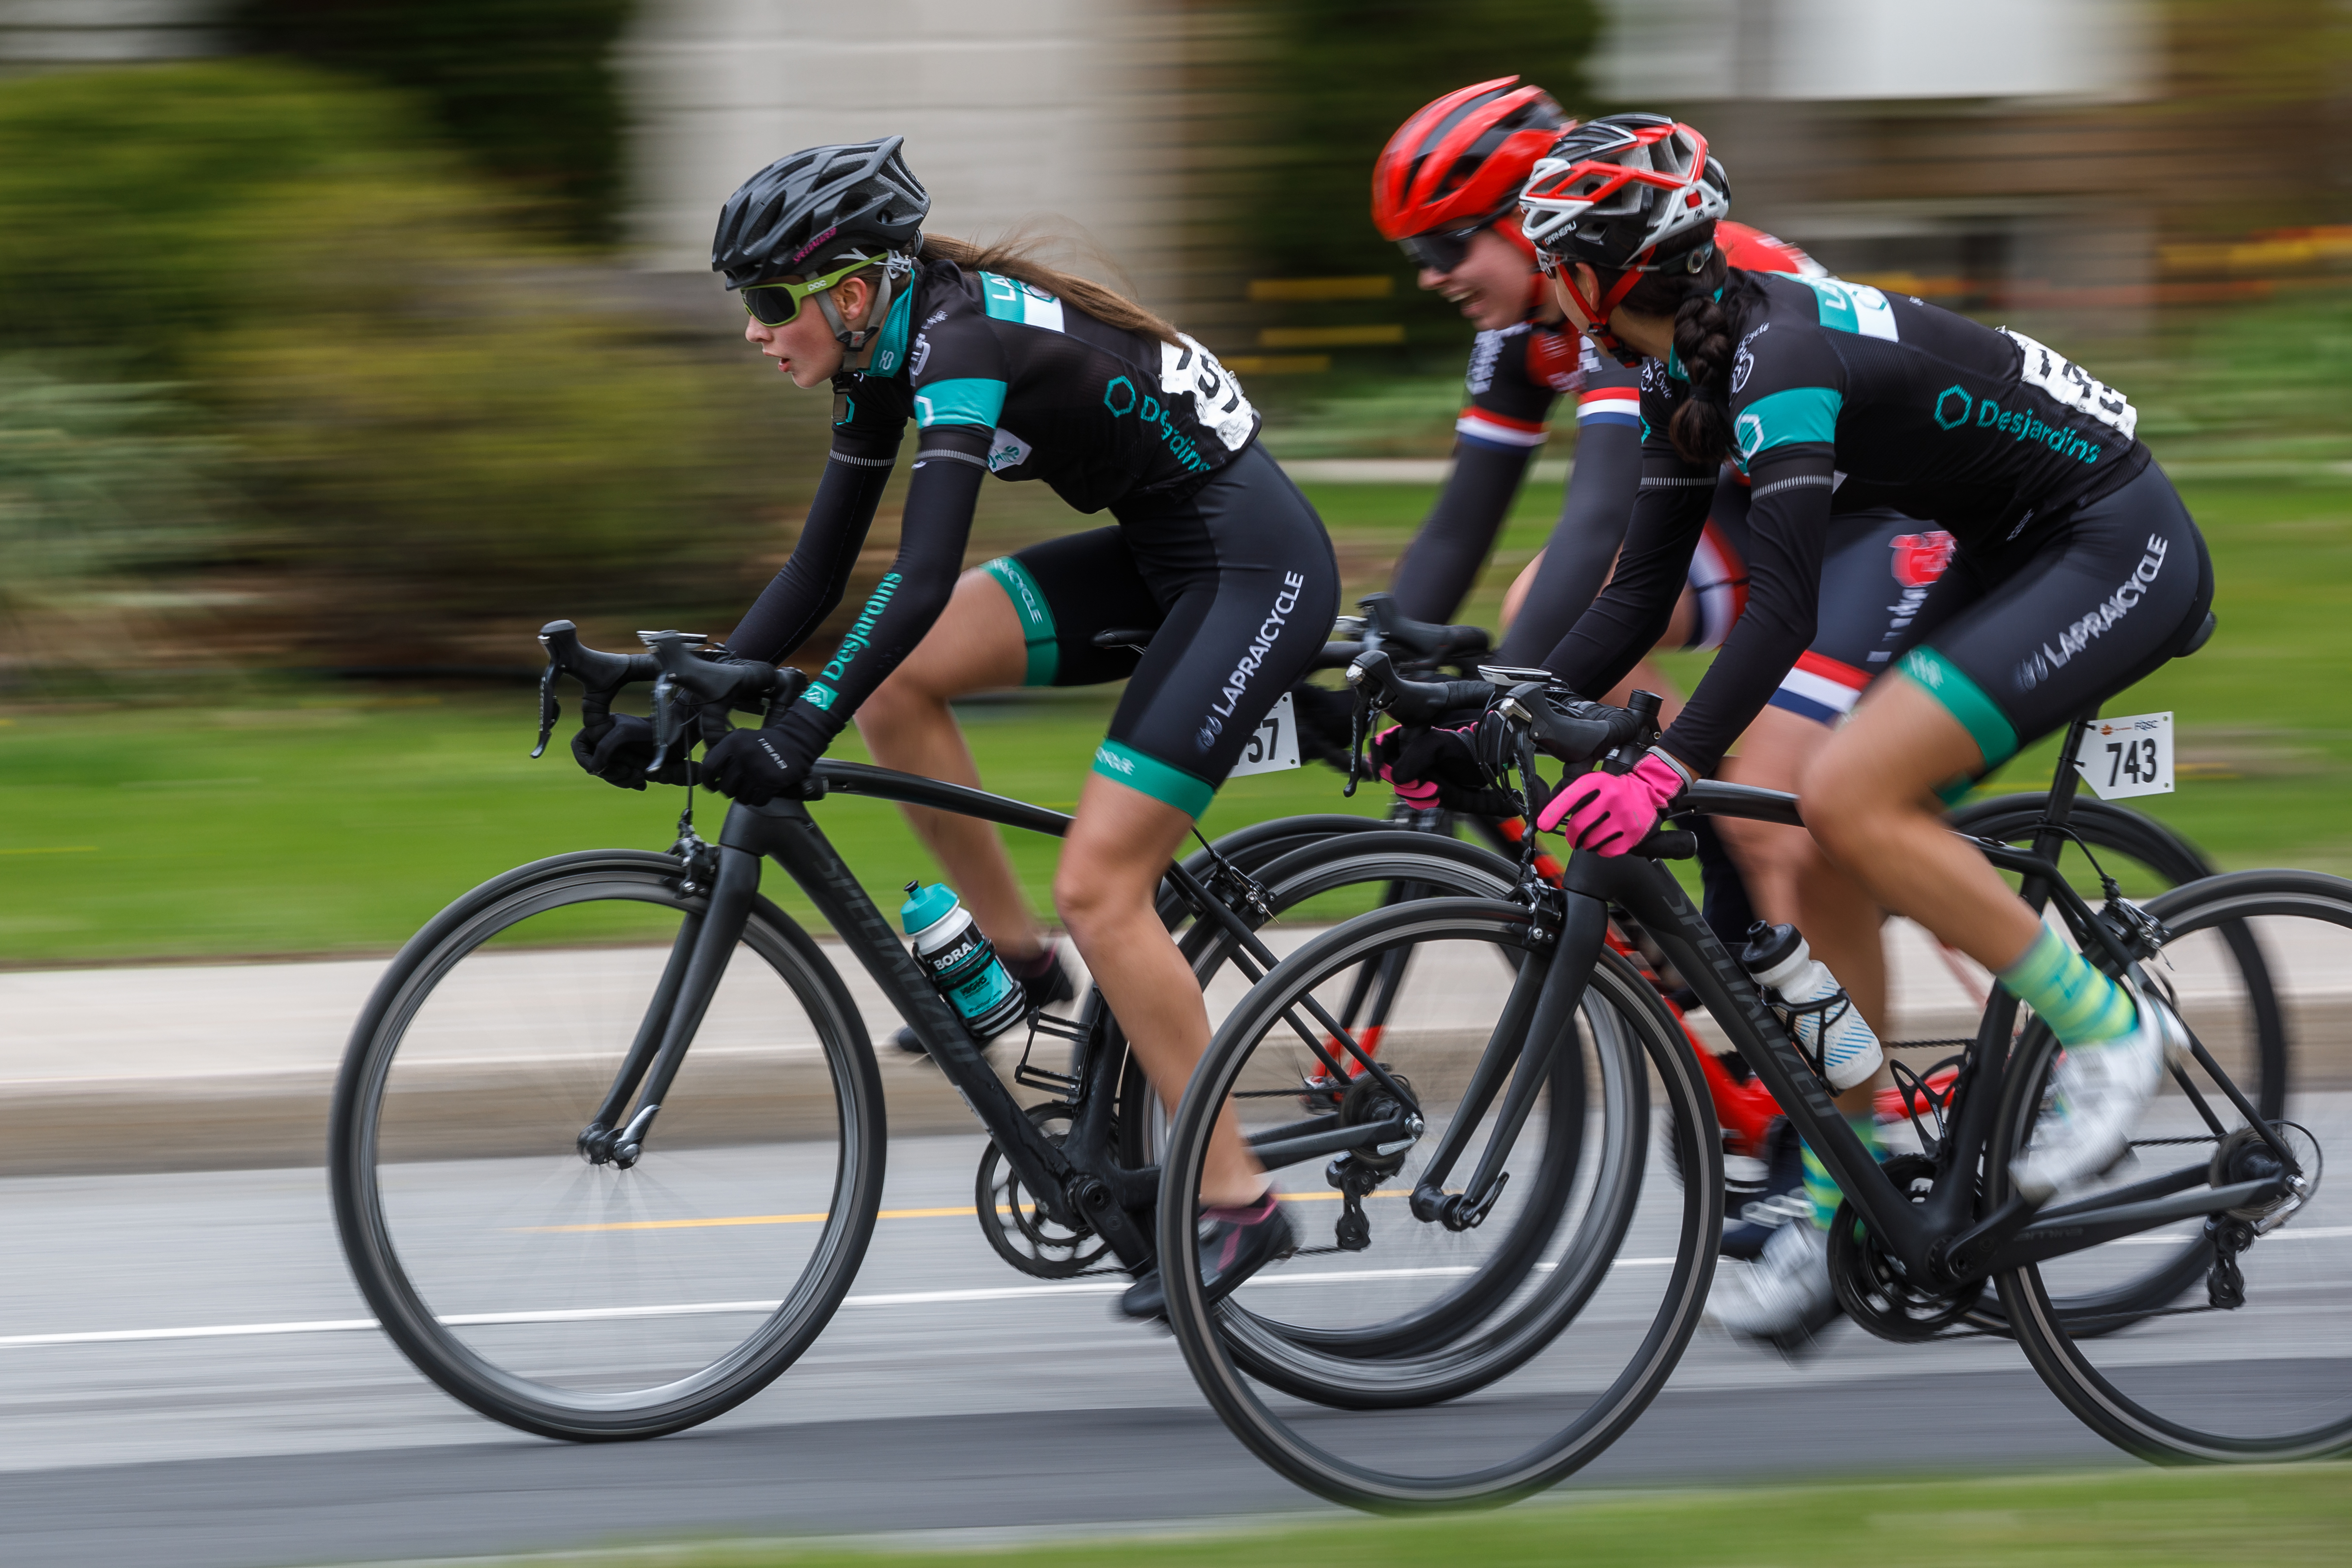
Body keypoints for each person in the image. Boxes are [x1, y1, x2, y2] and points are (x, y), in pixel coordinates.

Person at [577, 138, 1337, 1317]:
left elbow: (920, 573)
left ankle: (1236, 1200)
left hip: (1250, 566)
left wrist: (794, 731)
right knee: (895, 687)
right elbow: (821, 564)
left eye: (770, 301)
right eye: (746, 302)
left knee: (1104, 885)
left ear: (853, 285)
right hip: (1159, 551)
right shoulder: (880, 349)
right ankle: (1025, 971)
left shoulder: (958, 346)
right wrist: (691, 688)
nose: (752, 329)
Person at [1513, 114, 2211, 1343]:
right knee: (1814, 832)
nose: (1541, 284)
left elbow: (1778, 606)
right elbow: (1632, 591)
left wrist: (1666, 763)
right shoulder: (1685, 363)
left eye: (1549, 258)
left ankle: (2108, 1025)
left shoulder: (1776, 359)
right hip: (2009, 544)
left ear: (1591, 275)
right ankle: (1855, 1173)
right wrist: (1504, 701)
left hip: (2110, 534)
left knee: (1848, 795)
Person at [1373, 79, 1956, 1263]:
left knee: (1763, 796)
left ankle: (1799, 1071)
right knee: (1547, 612)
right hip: (1751, 507)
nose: (1432, 274)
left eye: (1446, 242)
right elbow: (1466, 520)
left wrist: (1504, 710)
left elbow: (1601, 524)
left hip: (1869, 520)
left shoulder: (1635, 286)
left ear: (1530, 227)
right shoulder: (1525, 324)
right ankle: (1702, 913)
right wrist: (1387, 658)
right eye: (1412, 254)